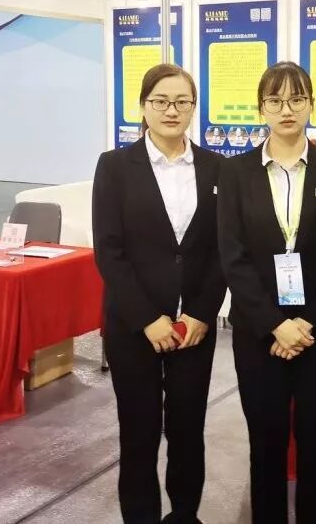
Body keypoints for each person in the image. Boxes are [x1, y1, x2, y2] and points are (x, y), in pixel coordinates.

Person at [217, 61, 316, 524]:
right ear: (261, 109)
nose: (286, 109)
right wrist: (275, 324)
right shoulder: (235, 172)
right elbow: (232, 256)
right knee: (266, 444)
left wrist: (307, 322)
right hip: (259, 334)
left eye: (297, 99)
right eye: (275, 100)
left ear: (312, 104)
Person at [92, 64, 226, 524]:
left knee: (188, 431)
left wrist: (202, 314)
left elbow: (224, 250)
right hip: (134, 327)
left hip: (194, 328)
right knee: (139, 433)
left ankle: (185, 515)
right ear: (143, 106)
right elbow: (109, 251)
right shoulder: (114, 166)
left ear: (193, 107)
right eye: (161, 101)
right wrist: (148, 319)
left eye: (182, 102)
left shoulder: (216, 168)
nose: (172, 110)